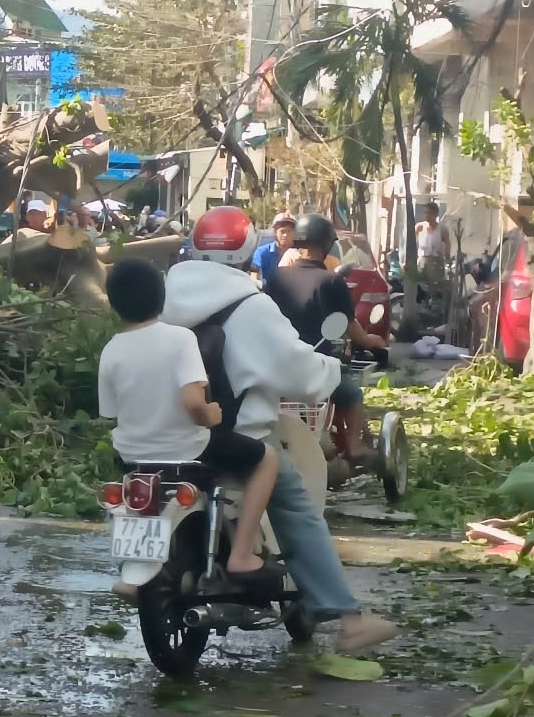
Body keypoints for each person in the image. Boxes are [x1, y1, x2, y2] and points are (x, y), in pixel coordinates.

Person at [162, 206, 398, 652]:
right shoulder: (250, 306)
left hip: (163, 434)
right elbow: (296, 368)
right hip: (234, 434)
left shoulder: (163, 296)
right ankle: (349, 620)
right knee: (295, 503)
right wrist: (330, 370)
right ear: (250, 250)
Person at [100, 258, 282, 580]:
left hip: (132, 457)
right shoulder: (181, 339)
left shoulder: (112, 349)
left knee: (138, 490)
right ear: (162, 298)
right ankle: (241, 555)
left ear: (114, 305)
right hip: (188, 450)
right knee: (266, 459)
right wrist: (212, 414)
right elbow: (193, 404)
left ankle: (133, 573)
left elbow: (111, 413)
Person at [265, 214, 386, 463]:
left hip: (275, 368)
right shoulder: (332, 281)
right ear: (328, 244)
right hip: (313, 369)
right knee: (352, 395)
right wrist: (373, 342)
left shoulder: (276, 278)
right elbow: (353, 330)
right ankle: (354, 448)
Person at [250, 212, 295, 287]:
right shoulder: (262, 252)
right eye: (282, 231)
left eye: (289, 231)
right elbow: (253, 278)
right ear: (275, 232)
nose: (285, 235)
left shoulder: (298, 254)